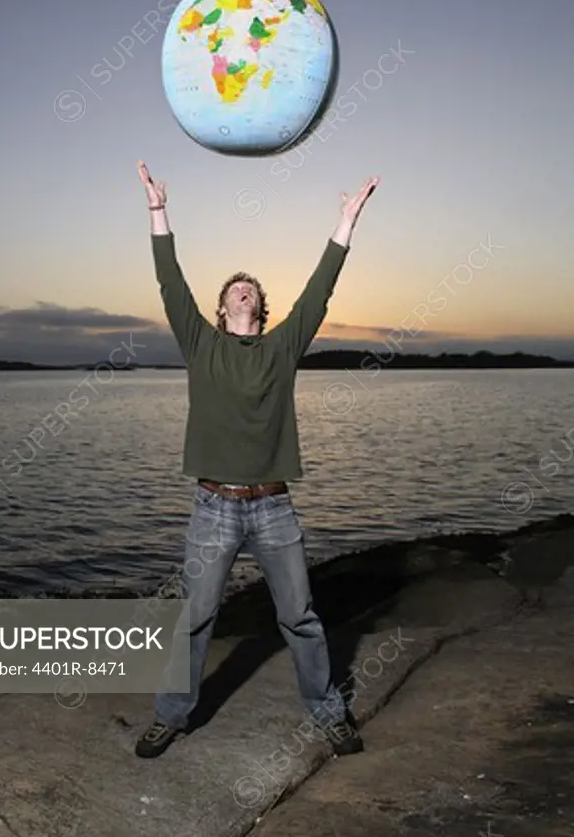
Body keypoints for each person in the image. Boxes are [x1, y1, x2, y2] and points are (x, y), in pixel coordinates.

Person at [134, 159, 379, 758]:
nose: (243, 289)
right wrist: (158, 211)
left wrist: (344, 223)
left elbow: (319, 294)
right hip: (213, 504)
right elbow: (171, 285)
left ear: (259, 307)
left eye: (252, 288)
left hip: (273, 506)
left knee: (300, 616)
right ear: (220, 308)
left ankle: (328, 712)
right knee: (194, 617)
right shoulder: (201, 345)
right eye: (232, 288)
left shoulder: (280, 349)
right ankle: (173, 714)